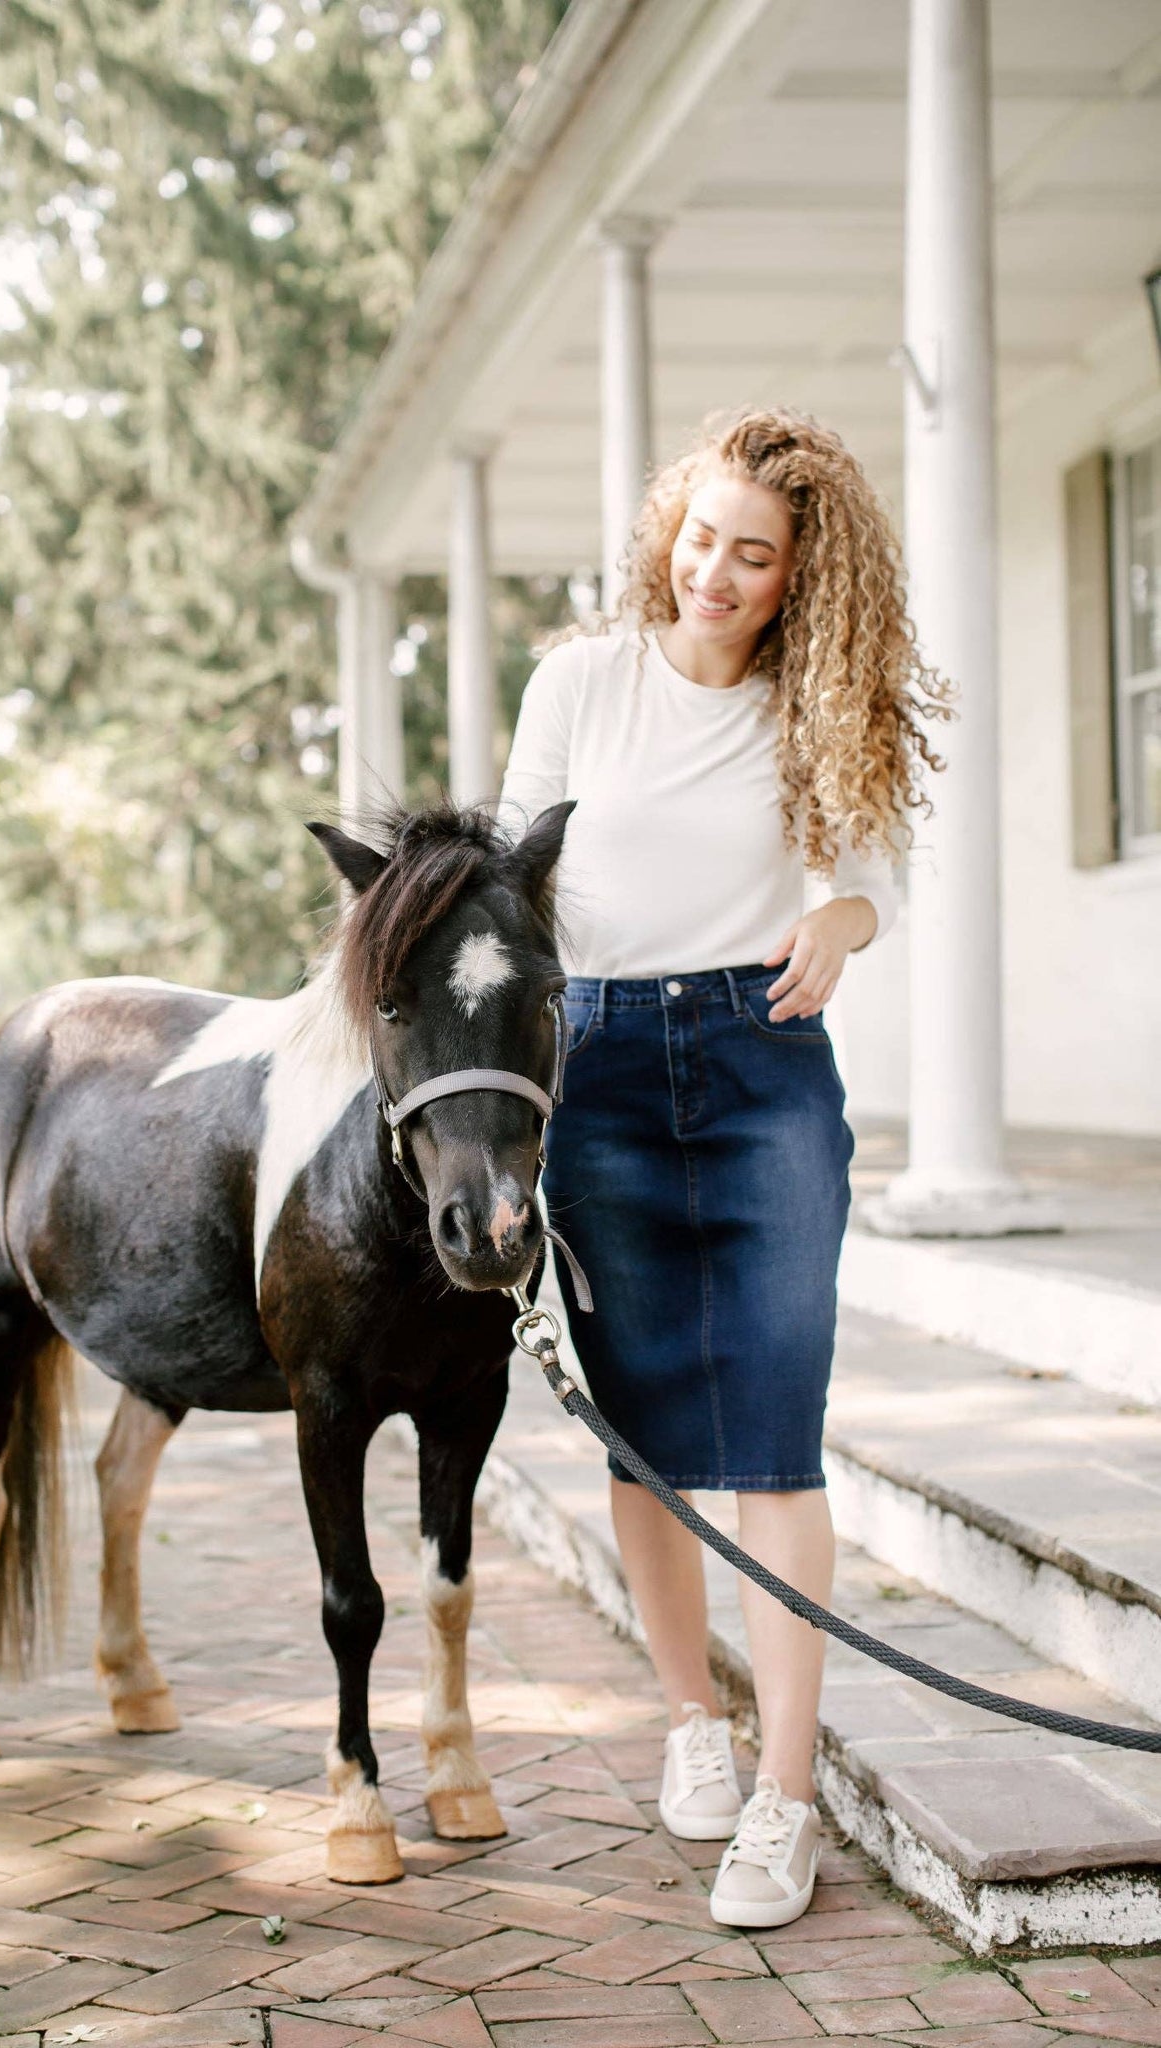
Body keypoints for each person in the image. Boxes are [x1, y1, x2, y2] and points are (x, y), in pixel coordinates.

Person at [498, 407, 950, 1929]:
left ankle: (787, 1795)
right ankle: (692, 1722)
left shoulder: (817, 702)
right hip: (599, 1070)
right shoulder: (578, 681)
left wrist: (839, 920)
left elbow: (870, 871)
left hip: (762, 1065)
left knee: (768, 1432)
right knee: (640, 1433)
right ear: (664, 532)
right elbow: (516, 881)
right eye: (699, 537)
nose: (713, 571)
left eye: (750, 555)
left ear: (795, 576)